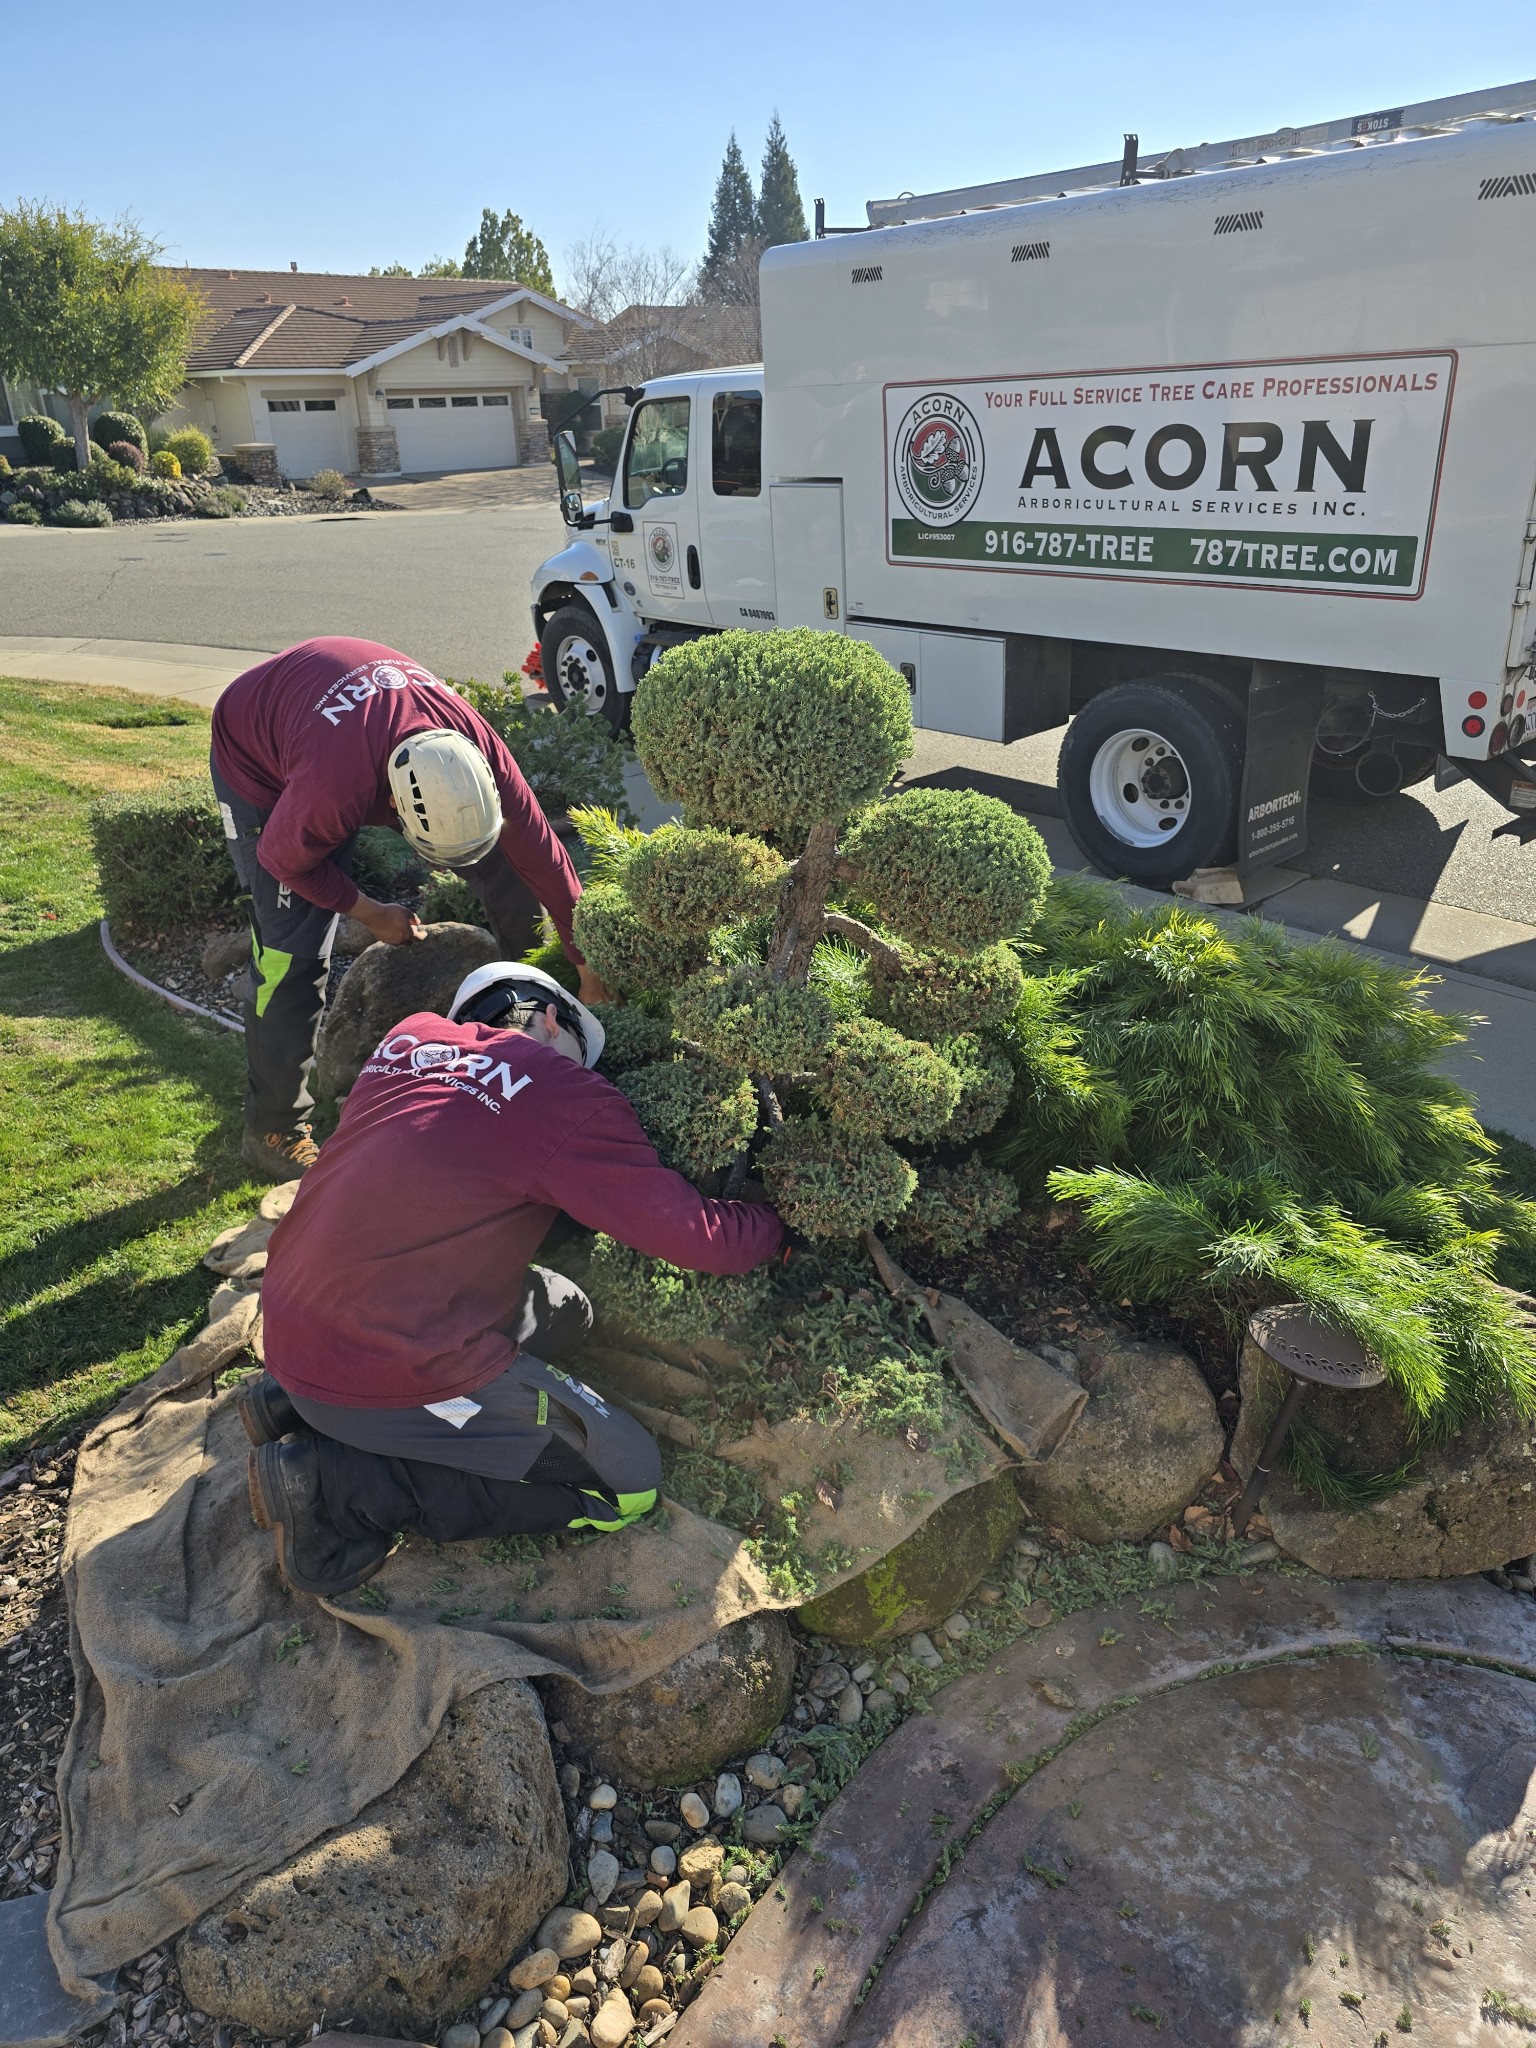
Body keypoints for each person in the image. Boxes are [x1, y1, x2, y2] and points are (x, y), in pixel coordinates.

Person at [241, 962, 785, 1596]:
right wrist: (781, 1226)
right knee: (627, 1481)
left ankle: (290, 1399)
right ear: (555, 1017)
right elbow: (700, 1238)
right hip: (390, 1355)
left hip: (292, 1313)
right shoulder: (566, 1097)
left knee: (566, 1310)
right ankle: (336, 1484)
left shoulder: (408, 1040)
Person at [210, 635, 608, 1181]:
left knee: (512, 871)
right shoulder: (336, 785)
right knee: (291, 949)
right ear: (393, 807)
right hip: (257, 754)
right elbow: (285, 861)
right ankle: (274, 1127)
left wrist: (587, 966)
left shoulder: (480, 754)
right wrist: (373, 913)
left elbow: (545, 860)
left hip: (338, 717)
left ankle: (529, 1024)